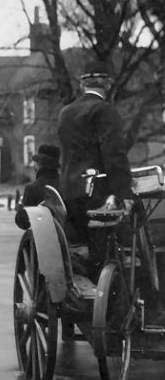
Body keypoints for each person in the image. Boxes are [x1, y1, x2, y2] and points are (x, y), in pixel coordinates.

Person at [58, 60, 133, 254]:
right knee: (133, 219)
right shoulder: (104, 110)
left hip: (68, 193)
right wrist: (125, 193)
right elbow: (114, 155)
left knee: (84, 244)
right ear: (107, 84)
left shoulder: (65, 113)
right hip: (97, 195)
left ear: (82, 85)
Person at [14, 144, 60, 229]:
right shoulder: (66, 185)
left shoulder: (32, 188)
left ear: (39, 164)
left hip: (44, 238)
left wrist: (20, 211)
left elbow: (24, 223)